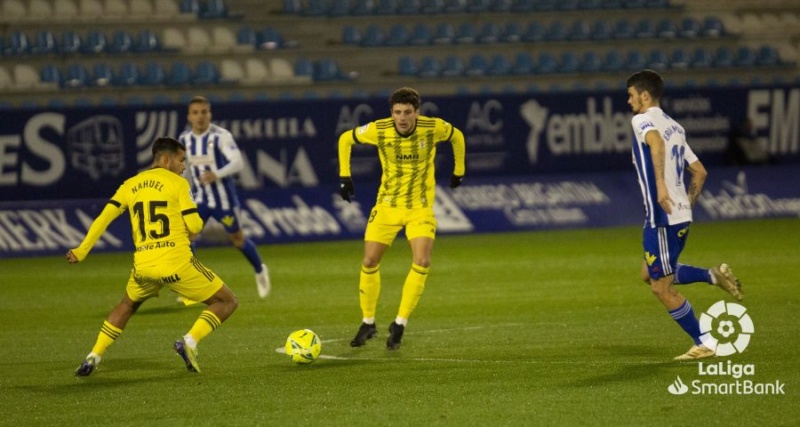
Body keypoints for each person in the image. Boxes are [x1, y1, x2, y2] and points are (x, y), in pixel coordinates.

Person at [68, 137, 239, 376]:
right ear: (166, 159)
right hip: (176, 263)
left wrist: (82, 249)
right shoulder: (178, 184)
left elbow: (104, 218)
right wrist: (193, 218)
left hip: (144, 266)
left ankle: (93, 357)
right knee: (227, 301)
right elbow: (195, 226)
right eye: (181, 160)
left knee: (127, 304)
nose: (183, 166)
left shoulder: (130, 184)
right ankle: (189, 343)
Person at [626, 70, 744, 361]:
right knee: (647, 272)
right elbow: (700, 171)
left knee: (660, 288)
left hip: (662, 216)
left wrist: (662, 187)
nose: (628, 101)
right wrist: (686, 203)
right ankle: (711, 275)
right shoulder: (675, 126)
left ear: (644, 95)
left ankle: (704, 341)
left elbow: (655, 142)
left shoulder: (642, 120)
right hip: (680, 215)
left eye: (631, 95)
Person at [337, 87, 466, 350]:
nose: (402, 118)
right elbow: (344, 140)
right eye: (397, 112)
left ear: (417, 113)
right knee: (369, 260)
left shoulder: (433, 127)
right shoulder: (379, 129)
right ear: (391, 113)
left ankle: (399, 323)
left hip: (419, 207)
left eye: (408, 112)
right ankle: (368, 322)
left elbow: (458, 137)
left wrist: (458, 171)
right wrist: (344, 177)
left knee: (422, 259)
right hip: (386, 206)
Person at [179, 96, 271, 299]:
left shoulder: (221, 136)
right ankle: (192, 284)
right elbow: (185, 171)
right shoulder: (185, 139)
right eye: (196, 113)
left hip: (224, 201)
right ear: (189, 116)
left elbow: (238, 162)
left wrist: (217, 174)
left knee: (237, 239)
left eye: (204, 112)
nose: (200, 117)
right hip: (200, 200)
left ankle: (260, 270)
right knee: (187, 237)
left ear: (209, 114)